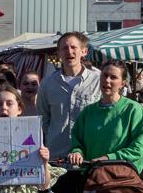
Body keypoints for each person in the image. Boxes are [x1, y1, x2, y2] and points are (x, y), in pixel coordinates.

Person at [67, 61, 143, 174]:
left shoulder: (133, 110)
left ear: (122, 83)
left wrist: (109, 158)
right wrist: (77, 152)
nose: (107, 80)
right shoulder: (88, 112)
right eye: (105, 75)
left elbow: (140, 148)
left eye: (113, 77)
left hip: (119, 179)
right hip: (91, 178)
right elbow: (77, 141)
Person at [37, 32, 101, 161]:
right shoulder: (47, 84)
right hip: (57, 156)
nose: (69, 51)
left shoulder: (98, 80)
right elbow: (43, 119)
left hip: (89, 156)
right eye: (64, 48)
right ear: (59, 53)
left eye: (73, 47)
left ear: (84, 51)